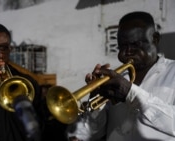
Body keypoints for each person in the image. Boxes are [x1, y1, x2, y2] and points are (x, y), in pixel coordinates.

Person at [67, 11, 175, 141]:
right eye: (123, 45)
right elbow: (90, 134)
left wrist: (131, 93)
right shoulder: (116, 79)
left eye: (136, 44)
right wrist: (95, 98)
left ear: (155, 39)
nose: (128, 51)